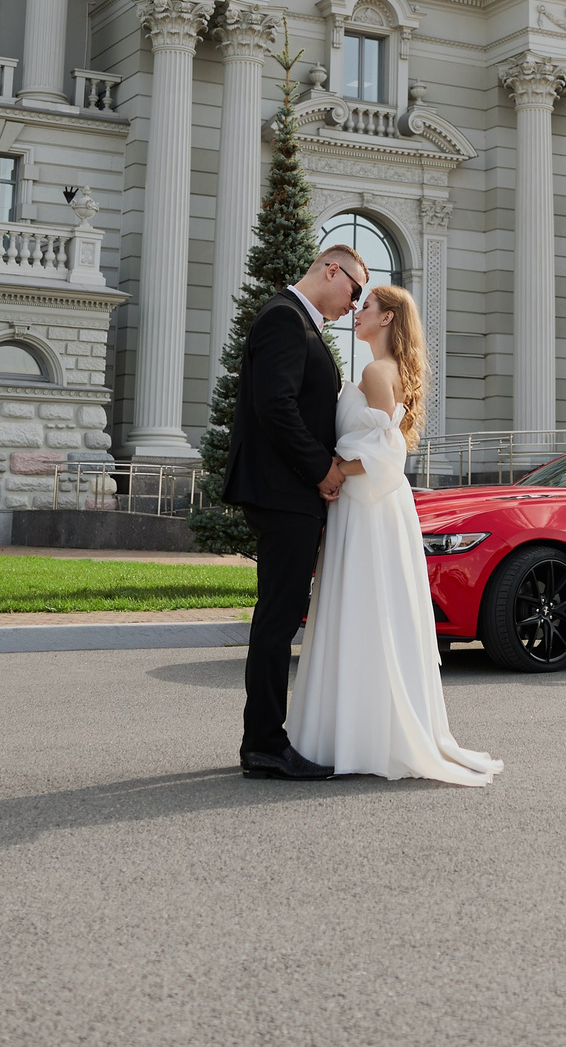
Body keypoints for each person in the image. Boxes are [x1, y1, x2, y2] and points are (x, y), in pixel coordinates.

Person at [290, 284, 503, 786]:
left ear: (386, 319)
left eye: (366, 307)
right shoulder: (382, 371)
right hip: (369, 508)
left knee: (363, 611)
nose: (357, 313)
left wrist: (335, 470)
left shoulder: (374, 372)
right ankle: (363, 731)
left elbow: (388, 454)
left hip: (367, 508)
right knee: (369, 612)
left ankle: (357, 735)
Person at [223, 244, 362, 781]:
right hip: (283, 493)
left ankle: (263, 739)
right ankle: (263, 743)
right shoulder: (284, 318)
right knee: (278, 618)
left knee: (279, 616)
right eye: (354, 290)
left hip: (287, 492)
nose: (354, 304)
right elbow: (274, 406)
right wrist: (321, 469)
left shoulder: (296, 321)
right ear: (332, 270)